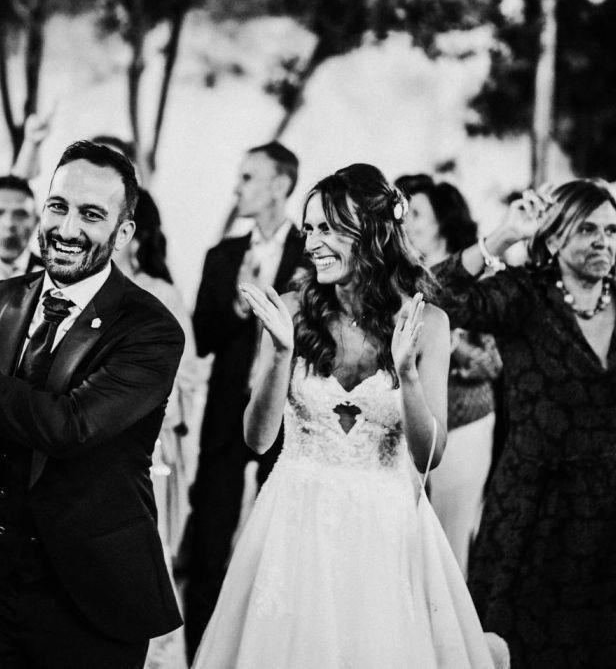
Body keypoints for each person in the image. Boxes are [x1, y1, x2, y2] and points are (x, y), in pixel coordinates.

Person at [0, 140, 185, 668]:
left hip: (91, 597)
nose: (67, 228)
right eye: (58, 206)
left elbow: (69, 426)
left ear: (123, 233)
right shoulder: (3, 299)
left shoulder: (150, 329)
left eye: (91, 215)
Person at [191, 163, 506, 668]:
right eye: (309, 228)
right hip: (295, 518)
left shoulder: (427, 323)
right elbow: (257, 438)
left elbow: (430, 456)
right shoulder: (290, 309)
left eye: (329, 229)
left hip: (384, 526)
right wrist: (280, 354)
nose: (312, 243)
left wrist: (408, 375)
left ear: (374, 233)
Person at [436, 179, 616, 669]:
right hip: (534, 509)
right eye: (588, 229)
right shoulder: (522, 296)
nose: (603, 241)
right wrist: (503, 236)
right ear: (555, 235)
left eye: (611, 231)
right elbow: (434, 296)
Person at [177, 140, 306, 654]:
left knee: (282, 543)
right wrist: (236, 301)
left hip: (289, 416)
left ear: (280, 185)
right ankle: (201, 655)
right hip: (227, 416)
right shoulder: (223, 255)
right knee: (209, 543)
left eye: (249, 177)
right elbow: (202, 338)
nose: (238, 188)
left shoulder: (311, 254)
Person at [114, 189, 202, 669]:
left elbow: (185, 377)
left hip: (148, 451)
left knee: (147, 554)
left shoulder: (160, 294)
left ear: (137, 234)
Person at [398, 174, 502, 570]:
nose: (406, 223)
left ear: (442, 222)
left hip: (464, 423)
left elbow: (491, 363)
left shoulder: (477, 280)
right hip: (407, 423)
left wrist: (449, 345)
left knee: (449, 542)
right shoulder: (398, 278)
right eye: (403, 213)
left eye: (417, 214)